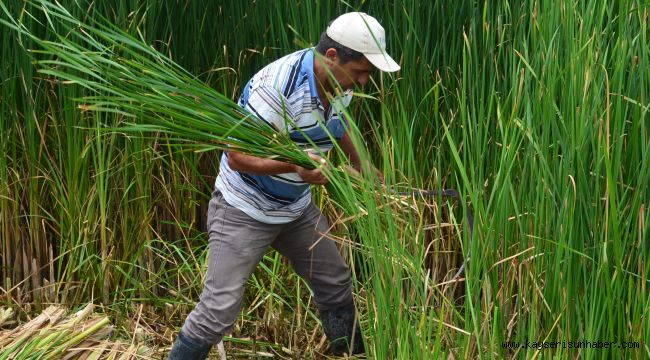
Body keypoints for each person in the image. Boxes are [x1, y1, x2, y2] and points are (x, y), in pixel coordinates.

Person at [168, 12, 400, 359]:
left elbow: (341, 123)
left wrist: (361, 164)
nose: (364, 82)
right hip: (243, 209)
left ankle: (351, 355)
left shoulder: (340, 83)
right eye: (361, 72)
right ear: (332, 57)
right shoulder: (277, 87)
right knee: (217, 313)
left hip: (294, 210)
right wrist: (295, 165)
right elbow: (237, 156)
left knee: (335, 284)